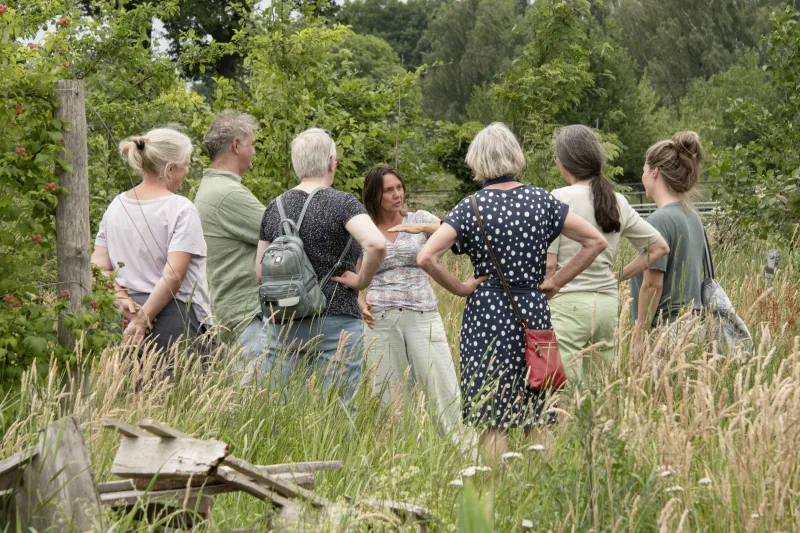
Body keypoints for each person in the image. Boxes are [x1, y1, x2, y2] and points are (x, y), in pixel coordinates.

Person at [417, 123, 607, 465]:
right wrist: (557, 281)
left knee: (493, 416)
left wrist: (461, 288)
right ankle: (539, 492)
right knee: (539, 410)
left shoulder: (471, 207)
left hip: (486, 317)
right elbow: (596, 241)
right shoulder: (542, 200)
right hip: (533, 312)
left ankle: (496, 496)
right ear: (515, 156)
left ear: (477, 161)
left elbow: (425, 257)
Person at [255, 128, 386, 404]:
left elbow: (260, 274)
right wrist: (361, 281)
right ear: (331, 162)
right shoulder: (343, 203)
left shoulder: (274, 206)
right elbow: (376, 244)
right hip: (336, 321)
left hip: (285, 324)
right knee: (336, 417)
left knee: (282, 415)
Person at [546, 125, 669, 384]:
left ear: (565, 162)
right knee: (599, 392)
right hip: (605, 304)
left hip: (567, 304)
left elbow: (550, 264)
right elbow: (659, 247)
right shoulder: (617, 201)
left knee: (564, 392)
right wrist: (618, 277)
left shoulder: (557, 199)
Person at [358, 165, 461, 436]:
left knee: (442, 386)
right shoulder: (364, 227)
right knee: (389, 395)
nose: (396, 194)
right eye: (388, 190)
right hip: (380, 319)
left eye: (399, 187)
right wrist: (359, 300)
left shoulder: (420, 218)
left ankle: (463, 452)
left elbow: (454, 232)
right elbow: (353, 272)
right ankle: (399, 457)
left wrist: (420, 227)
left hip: (422, 313)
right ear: (374, 195)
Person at [91, 127, 212, 353]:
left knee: (127, 387)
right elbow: (174, 274)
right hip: (172, 319)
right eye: (186, 165)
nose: (186, 172)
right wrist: (143, 317)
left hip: (121, 319)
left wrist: (121, 300)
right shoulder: (181, 208)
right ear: (170, 168)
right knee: (180, 387)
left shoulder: (116, 206)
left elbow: (98, 267)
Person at [194, 112, 266, 353]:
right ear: (237, 145)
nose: (254, 151)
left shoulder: (212, 187)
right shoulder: (227, 194)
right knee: (260, 390)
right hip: (248, 316)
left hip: (233, 312)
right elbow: (285, 232)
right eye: (252, 144)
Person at [631, 132, 706, 345]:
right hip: (692, 324)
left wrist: (639, 335)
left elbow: (653, 285)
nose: (642, 176)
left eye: (644, 170)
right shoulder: (692, 217)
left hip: (666, 329)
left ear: (655, 172)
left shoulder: (659, 220)